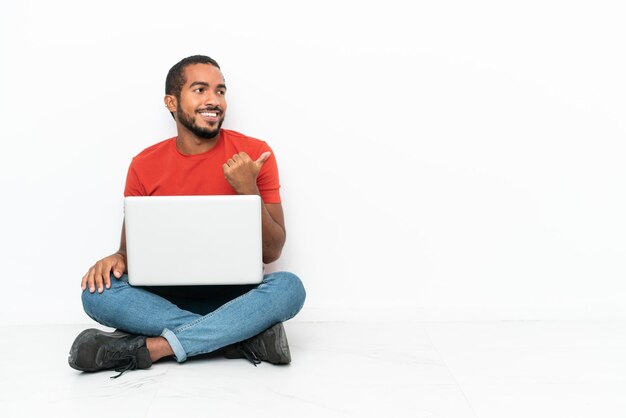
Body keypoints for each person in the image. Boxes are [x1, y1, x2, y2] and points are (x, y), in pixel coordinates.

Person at [68, 55, 306, 378]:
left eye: (220, 91)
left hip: (236, 297)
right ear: (171, 102)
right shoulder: (144, 164)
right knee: (95, 294)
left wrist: (249, 189)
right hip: (164, 302)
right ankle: (237, 339)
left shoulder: (254, 155)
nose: (214, 100)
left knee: (290, 287)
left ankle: (153, 349)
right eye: (200, 89)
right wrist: (115, 259)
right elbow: (129, 253)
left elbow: (273, 251)